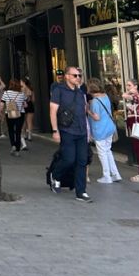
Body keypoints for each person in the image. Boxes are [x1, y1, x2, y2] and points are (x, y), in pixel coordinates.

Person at [49, 66, 92, 202]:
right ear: (67, 76)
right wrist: (55, 130)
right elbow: (53, 111)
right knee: (69, 159)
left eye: (79, 75)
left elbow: (83, 113)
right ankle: (55, 175)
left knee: (82, 161)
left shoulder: (81, 92)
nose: (78, 78)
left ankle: (81, 191)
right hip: (67, 130)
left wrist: (88, 131)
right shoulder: (59, 90)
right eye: (75, 75)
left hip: (81, 131)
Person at [86, 77, 121, 184]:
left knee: (102, 153)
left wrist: (88, 111)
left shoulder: (95, 101)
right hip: (110, 128)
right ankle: (115, 174)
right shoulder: (105, 96)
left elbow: (96, 117)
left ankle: (107, 176)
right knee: (108, 151)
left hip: (100, 130)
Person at [121, 79, 139, 183]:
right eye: (127, 85)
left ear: (136, 86)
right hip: (135, 121)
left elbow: (124, 95)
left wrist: (130, 91)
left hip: (137, 121)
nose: (127, 87)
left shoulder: (137, 96)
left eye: (129, 85)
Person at [0, 78, 27, 156]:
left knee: (11, 130)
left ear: (10, 85)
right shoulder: (21, 94)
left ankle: (13, 145)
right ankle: (17, 150)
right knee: (18, 132)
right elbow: (25, 105)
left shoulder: (6, 93)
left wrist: (0, 113)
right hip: (20, 114)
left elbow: (1, 105)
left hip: (9, 113)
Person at [21, 78, 35, 142]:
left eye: (21, 82)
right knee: (30, 121)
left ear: (23, 82)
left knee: (23, 121)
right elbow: (33, 100)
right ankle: (30, 136)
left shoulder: (21, 89)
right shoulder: (31, 89)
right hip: (30, 105)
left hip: (23, 105)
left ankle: (24, 135)